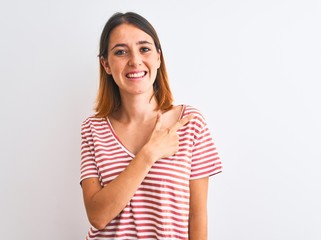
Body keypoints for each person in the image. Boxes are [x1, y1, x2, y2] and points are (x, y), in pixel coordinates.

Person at [80, 12, 223, 240]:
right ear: (106, 64)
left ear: (158, 57)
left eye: (144, 49)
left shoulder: (189, 123)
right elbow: (97, 216)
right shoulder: (92, 129)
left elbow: (197, 217)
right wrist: (149, 154)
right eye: (120, 52)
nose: (135, 60)